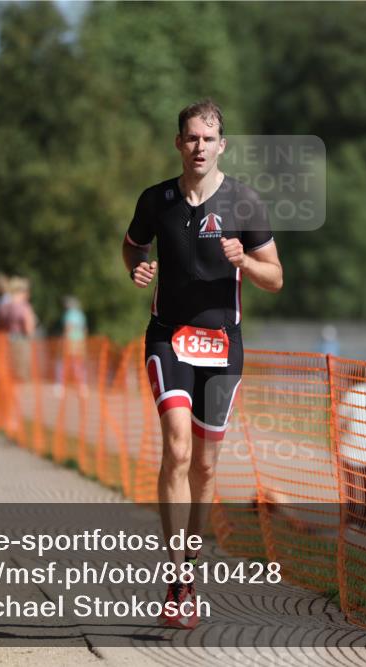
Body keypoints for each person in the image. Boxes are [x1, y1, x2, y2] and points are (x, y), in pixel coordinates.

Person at [122, 99, 283, 629]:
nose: (199, 147)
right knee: (177, 445)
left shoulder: (244, 202)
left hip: (222, 344)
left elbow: (276, 277)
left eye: (208, 139)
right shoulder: (156, 200)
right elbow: (131, 246)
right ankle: (176, 579)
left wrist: (247, 262)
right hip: (168, 338)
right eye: (191, 138)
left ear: (222, 145)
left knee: (207, 466)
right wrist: (138, 268)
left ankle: (190, 566)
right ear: (178, 143)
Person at [336, 370, 366, 530]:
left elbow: (340, 418)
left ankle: (351, 518)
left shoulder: (352, 393)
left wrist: (336, 437)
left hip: (350, 444)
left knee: (350, 484)